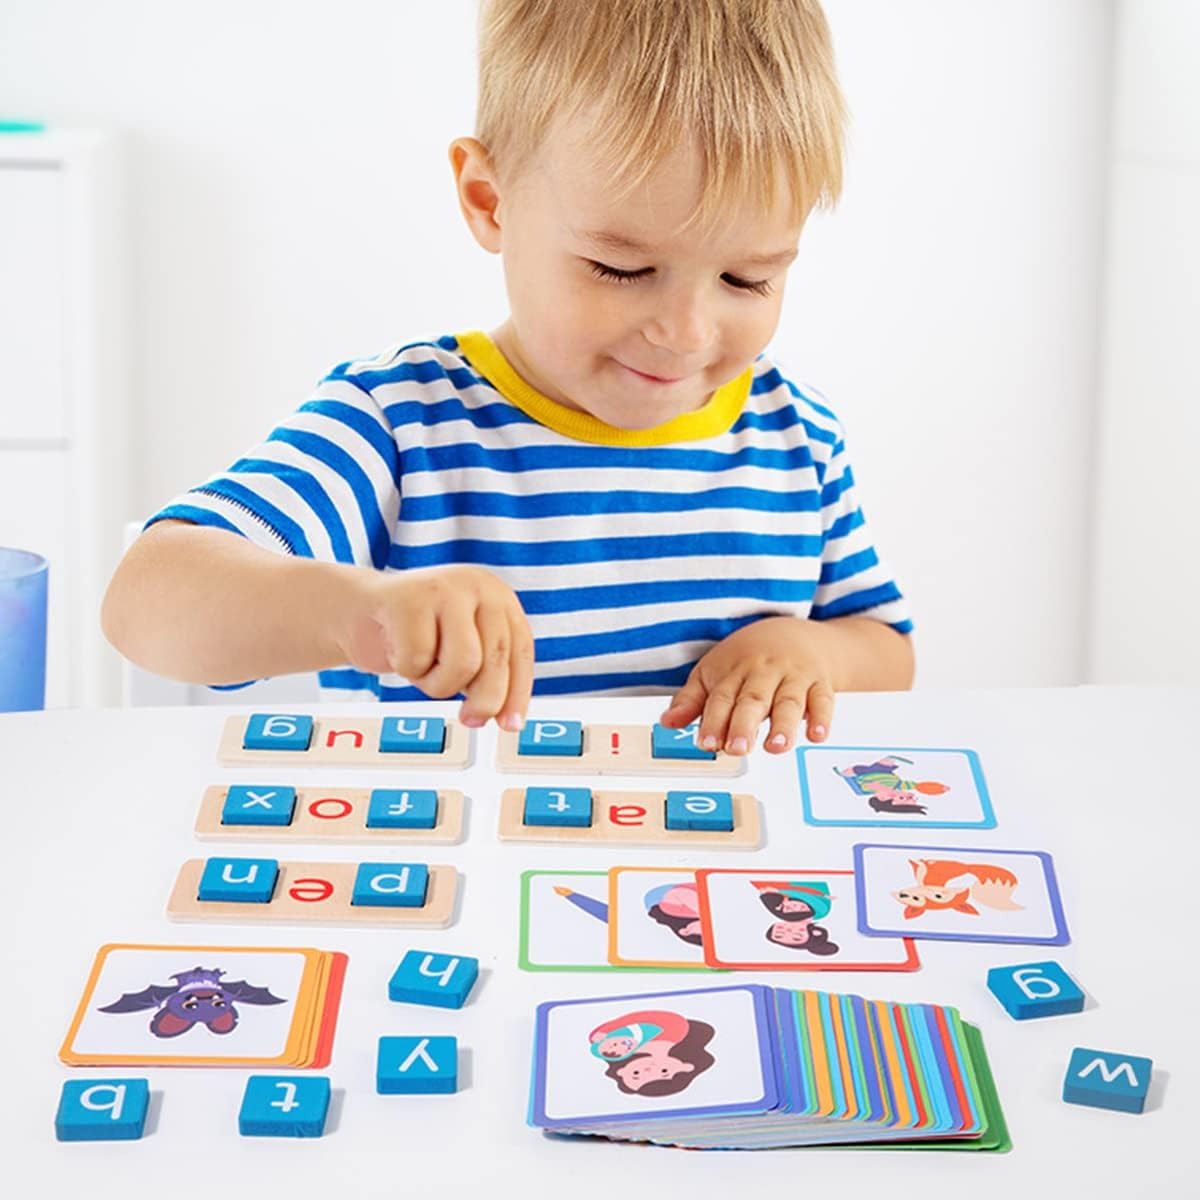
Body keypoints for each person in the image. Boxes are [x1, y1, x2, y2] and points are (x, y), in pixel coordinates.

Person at [101, 0, 914, 755]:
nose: (688, 332)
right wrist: (359, 614)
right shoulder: (402, 421)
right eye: (620, 267)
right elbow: (147, 602)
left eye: (748, 280)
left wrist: (807, 649)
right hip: (451, 872)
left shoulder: (795, 435)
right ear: (489, 200)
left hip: (702, 872)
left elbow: (888, 649)